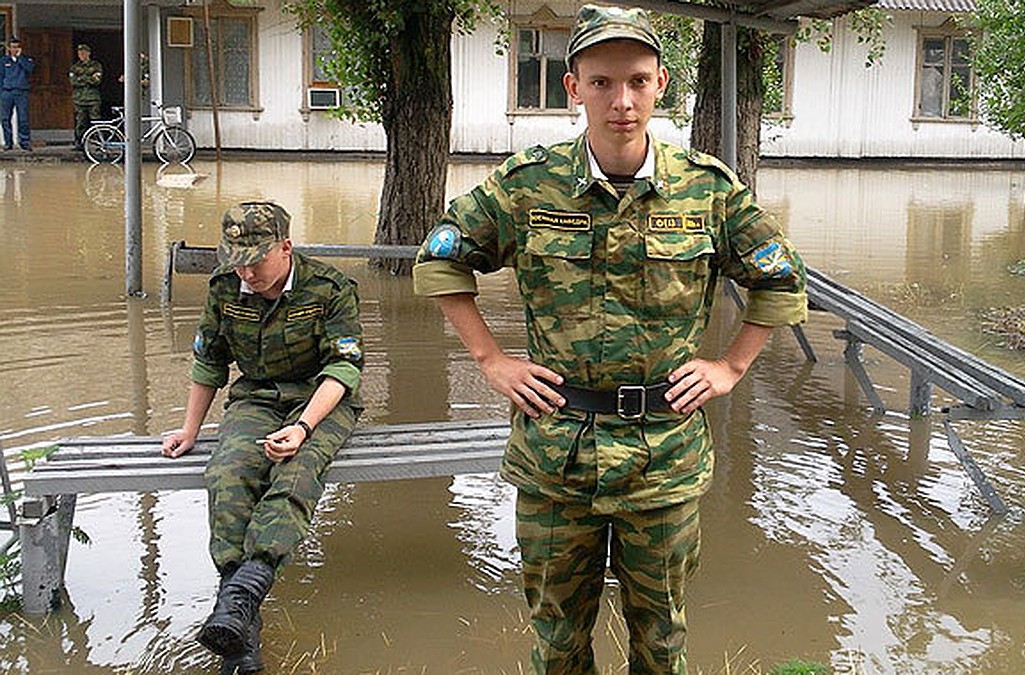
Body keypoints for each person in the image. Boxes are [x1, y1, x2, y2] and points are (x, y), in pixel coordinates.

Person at [412, 5, 807, 673]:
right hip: (556, 453)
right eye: (601, 82)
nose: (621, 101)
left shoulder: (706, 190)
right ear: (574, 88)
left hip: (664, 457)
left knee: (662, 640)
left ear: (661, 84)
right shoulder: (527, 185)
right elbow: (438, 259)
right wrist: (491, 358)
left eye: (637, 81)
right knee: (557, 642)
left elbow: (781, 279)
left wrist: (732, 366)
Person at [161, 202, 364, 675]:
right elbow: (209, 360)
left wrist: (302, 427)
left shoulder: (330, 288)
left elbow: (344, 367)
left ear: (286, 247)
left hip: (321, 401)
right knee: (227, 473)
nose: (246, 271)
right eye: (237, 260)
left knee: (295, 473)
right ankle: (238, 623)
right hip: (255, 399)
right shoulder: (225, 287)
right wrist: (191, 429)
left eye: (256, 259)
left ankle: (241, 597)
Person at [1, 35, 35, 151]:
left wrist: (20, 58)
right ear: (9, 48)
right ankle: (8, 143)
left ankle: (24, 142)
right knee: (5, 118)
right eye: (12, 47)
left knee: (23, 118)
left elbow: (30, 69)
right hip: (7, 92)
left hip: (21, 92)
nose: (14, 49)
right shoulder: (4, 61)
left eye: (17, 47)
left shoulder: (26, 60)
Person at [67, 43, 102, 150]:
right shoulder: (75, 67)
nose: (81, 54)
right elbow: (73, 81)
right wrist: (88, 78)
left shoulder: (96, 65)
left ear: (88, 53)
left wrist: (81, 78)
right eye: (79, 53)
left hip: (93, 98)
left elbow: (97, 80)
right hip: (79, 99)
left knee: (96, 121)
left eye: (83, 52)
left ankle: (99, 143)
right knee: (80, 122)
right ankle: (79, 143)